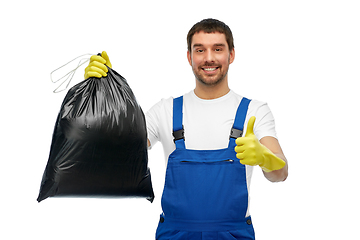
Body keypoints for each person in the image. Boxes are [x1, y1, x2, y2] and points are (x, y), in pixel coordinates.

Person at [84, 18, 288, 240]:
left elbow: (281, 172)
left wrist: (264, 157)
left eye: (217, 49)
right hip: (175, 234)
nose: (209, 58)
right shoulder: (165, 110)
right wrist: (102, 94)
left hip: (234, 234)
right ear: (190, 56)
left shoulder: (254, 110)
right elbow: (119, 151)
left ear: (231, 55)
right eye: (200, 50)